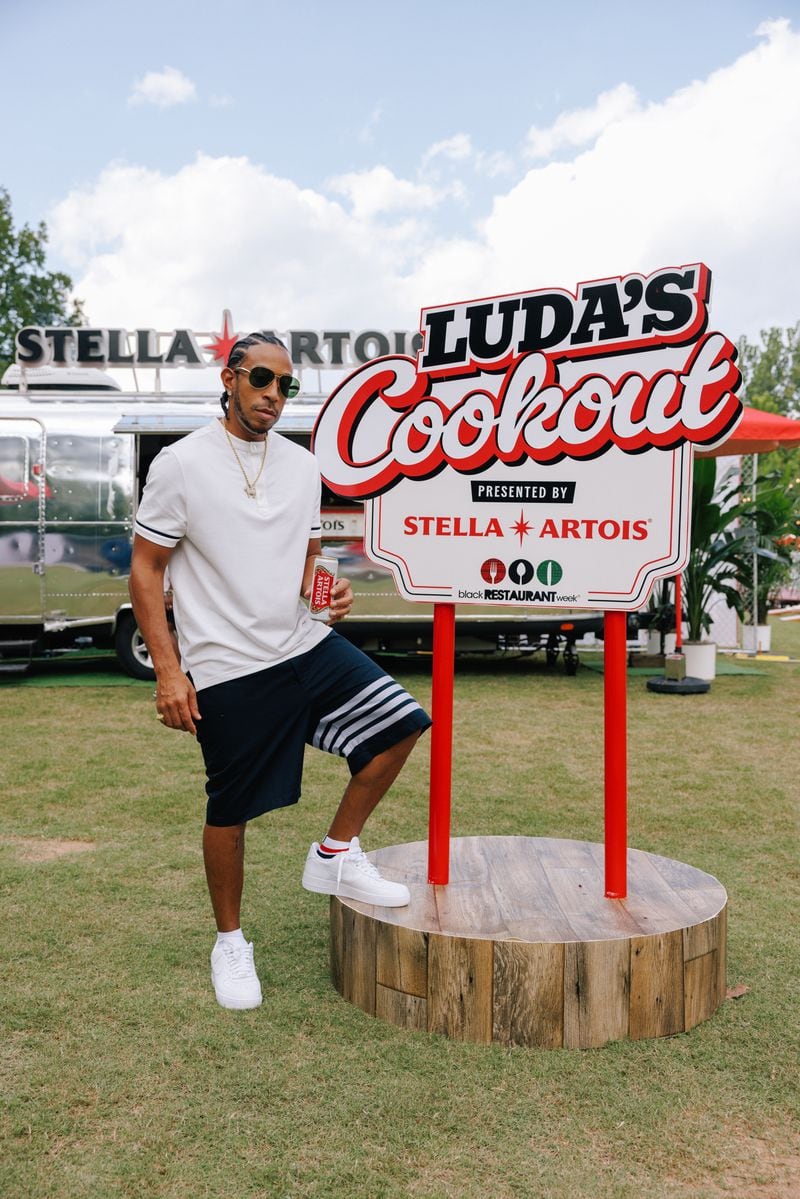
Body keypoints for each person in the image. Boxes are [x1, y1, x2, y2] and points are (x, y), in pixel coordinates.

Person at [129, 332, 431, 1011]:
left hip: (301, 644)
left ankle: (334, 854)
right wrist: (169, 673)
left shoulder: (302, 465)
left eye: (285, 384)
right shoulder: (181, 464)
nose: (273, 393)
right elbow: (146, 569)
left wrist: (329, 592)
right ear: (230, 377)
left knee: (400, 724)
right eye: (262, 378)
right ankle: (230, 940)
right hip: (226, 665)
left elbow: (308, 563)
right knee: (231, 809)